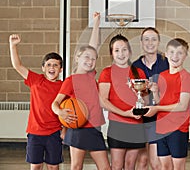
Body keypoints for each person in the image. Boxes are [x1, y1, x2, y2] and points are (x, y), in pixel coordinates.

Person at [51, 12, 111, 170]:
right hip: (78, 129)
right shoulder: (70, 81)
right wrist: (61, 113)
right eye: (86, 57)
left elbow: (93, 46)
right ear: (78, 58)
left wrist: (96, 23)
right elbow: (55, 103)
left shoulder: (91, 76)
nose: (90, 61)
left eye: (93, 59)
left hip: (94, 128)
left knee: (105, 167)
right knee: (76, 166)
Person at [9, 34, 63, 170]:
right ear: (43, 68)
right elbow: (17, 66)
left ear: (60, 69)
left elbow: (69, 109)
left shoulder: (64, 86)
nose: (52, 67)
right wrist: (13, 46)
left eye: (56, 65)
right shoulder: (36, 80)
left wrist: (66, 129)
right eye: (49, 65)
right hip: (35, 133)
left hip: (54, 132)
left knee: (53, 167)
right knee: (36, 166)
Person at [98, 34, 147, 170]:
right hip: (118, 125)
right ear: (112, 53)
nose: (121, 54)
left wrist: (143, 101)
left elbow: (145, 99)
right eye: (117, 50)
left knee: (130, 165)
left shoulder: (139, 72)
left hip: (137, 125)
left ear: (130, 51)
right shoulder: (107, 73)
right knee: (117, 165)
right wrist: (125, 113)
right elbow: (103, 101)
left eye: (124, 49)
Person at [144, 38, 190, 170]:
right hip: (161, 128)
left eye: (179, 53)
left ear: (185, 56)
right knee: (165, 166)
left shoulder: (186, 77)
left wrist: (156, 108)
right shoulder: (162, 76)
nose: (175, 56)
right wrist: (154, 92)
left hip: (178, 129)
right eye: (171, 52)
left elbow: (182, 105)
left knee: (178, 167)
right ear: (166, 54)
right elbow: (161, 101)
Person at [132, 27, 169, 170]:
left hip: (159, 117)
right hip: (140, 117)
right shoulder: (135, 66)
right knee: (141, 160)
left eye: (153, 39)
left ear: (159, 42)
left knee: (156, 163)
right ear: (141, 42)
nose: (150, 42)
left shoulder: (166, 62)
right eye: (146, 39)